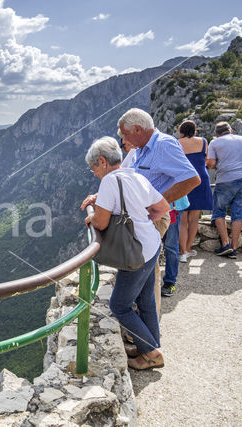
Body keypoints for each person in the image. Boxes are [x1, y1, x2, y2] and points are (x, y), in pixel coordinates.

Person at [83, 108, 200, 307]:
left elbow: (192, 179)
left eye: (124, 134)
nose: (123, 140)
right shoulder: (142, 149)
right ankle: (145, 322)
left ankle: (143, 323)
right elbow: (129, 178)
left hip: (154, 215)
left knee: (146, 269)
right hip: (144, 213)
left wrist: (158, 202)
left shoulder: (163, 145)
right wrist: (102, 197)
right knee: (141, 265)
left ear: (137, 129)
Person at [83, 136, 170, 370]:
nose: (94, 174)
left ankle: (151, 353)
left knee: (119, 305)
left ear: (102, 161)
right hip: (151, 245)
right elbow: (163, 208)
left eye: (93, 168)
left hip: (136, 254)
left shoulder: (110, 182)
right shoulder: (136, 175)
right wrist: (141, 222)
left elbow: (100, 223)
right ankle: (150, 347)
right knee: (145, 300)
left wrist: (91, 217)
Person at [206, 121, 242, 258]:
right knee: (238, 213)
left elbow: (211, 163)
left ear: (216, 134)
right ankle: (234, 248)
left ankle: (225, 244)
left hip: (226, 179)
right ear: (231, 131)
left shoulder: (215, 142)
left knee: (219, 211)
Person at [177, 120, 213, 263]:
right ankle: (189, 248)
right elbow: (207, 160)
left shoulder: (177, 143)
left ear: (181, 131)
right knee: (194, 219)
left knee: (183, 219)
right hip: (200, 179)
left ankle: (182, 252)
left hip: (184, 180)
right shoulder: (203, 141)